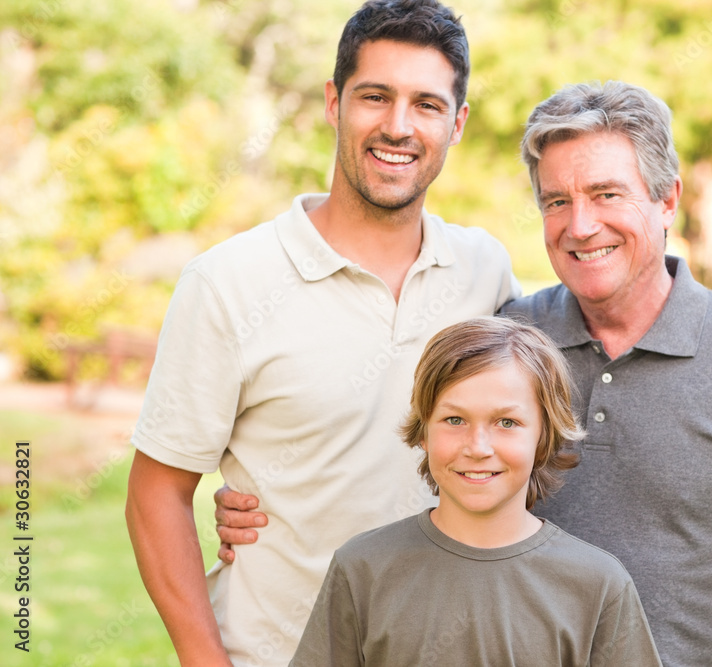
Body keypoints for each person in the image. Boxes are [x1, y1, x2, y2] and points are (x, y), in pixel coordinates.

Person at [216, 81, 712, 665]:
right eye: (557, 201)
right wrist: (273, 495)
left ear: (667, 200)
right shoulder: (513, 340)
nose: (580, 225)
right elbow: (424, 445)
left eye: (607, 194)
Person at [124, 1, 519, 666]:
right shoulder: (229, 282)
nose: (398, 125)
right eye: (375, 96)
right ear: (335, 103)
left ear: (457, 124)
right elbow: (154, 493)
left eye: (426, 104)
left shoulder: (485, 273)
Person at [289, 316, 663, 667]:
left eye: (507, 422)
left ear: (544, 435)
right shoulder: (362, 568)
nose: (479, 446)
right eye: (455, 419)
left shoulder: (598, 584)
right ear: (423, 431)